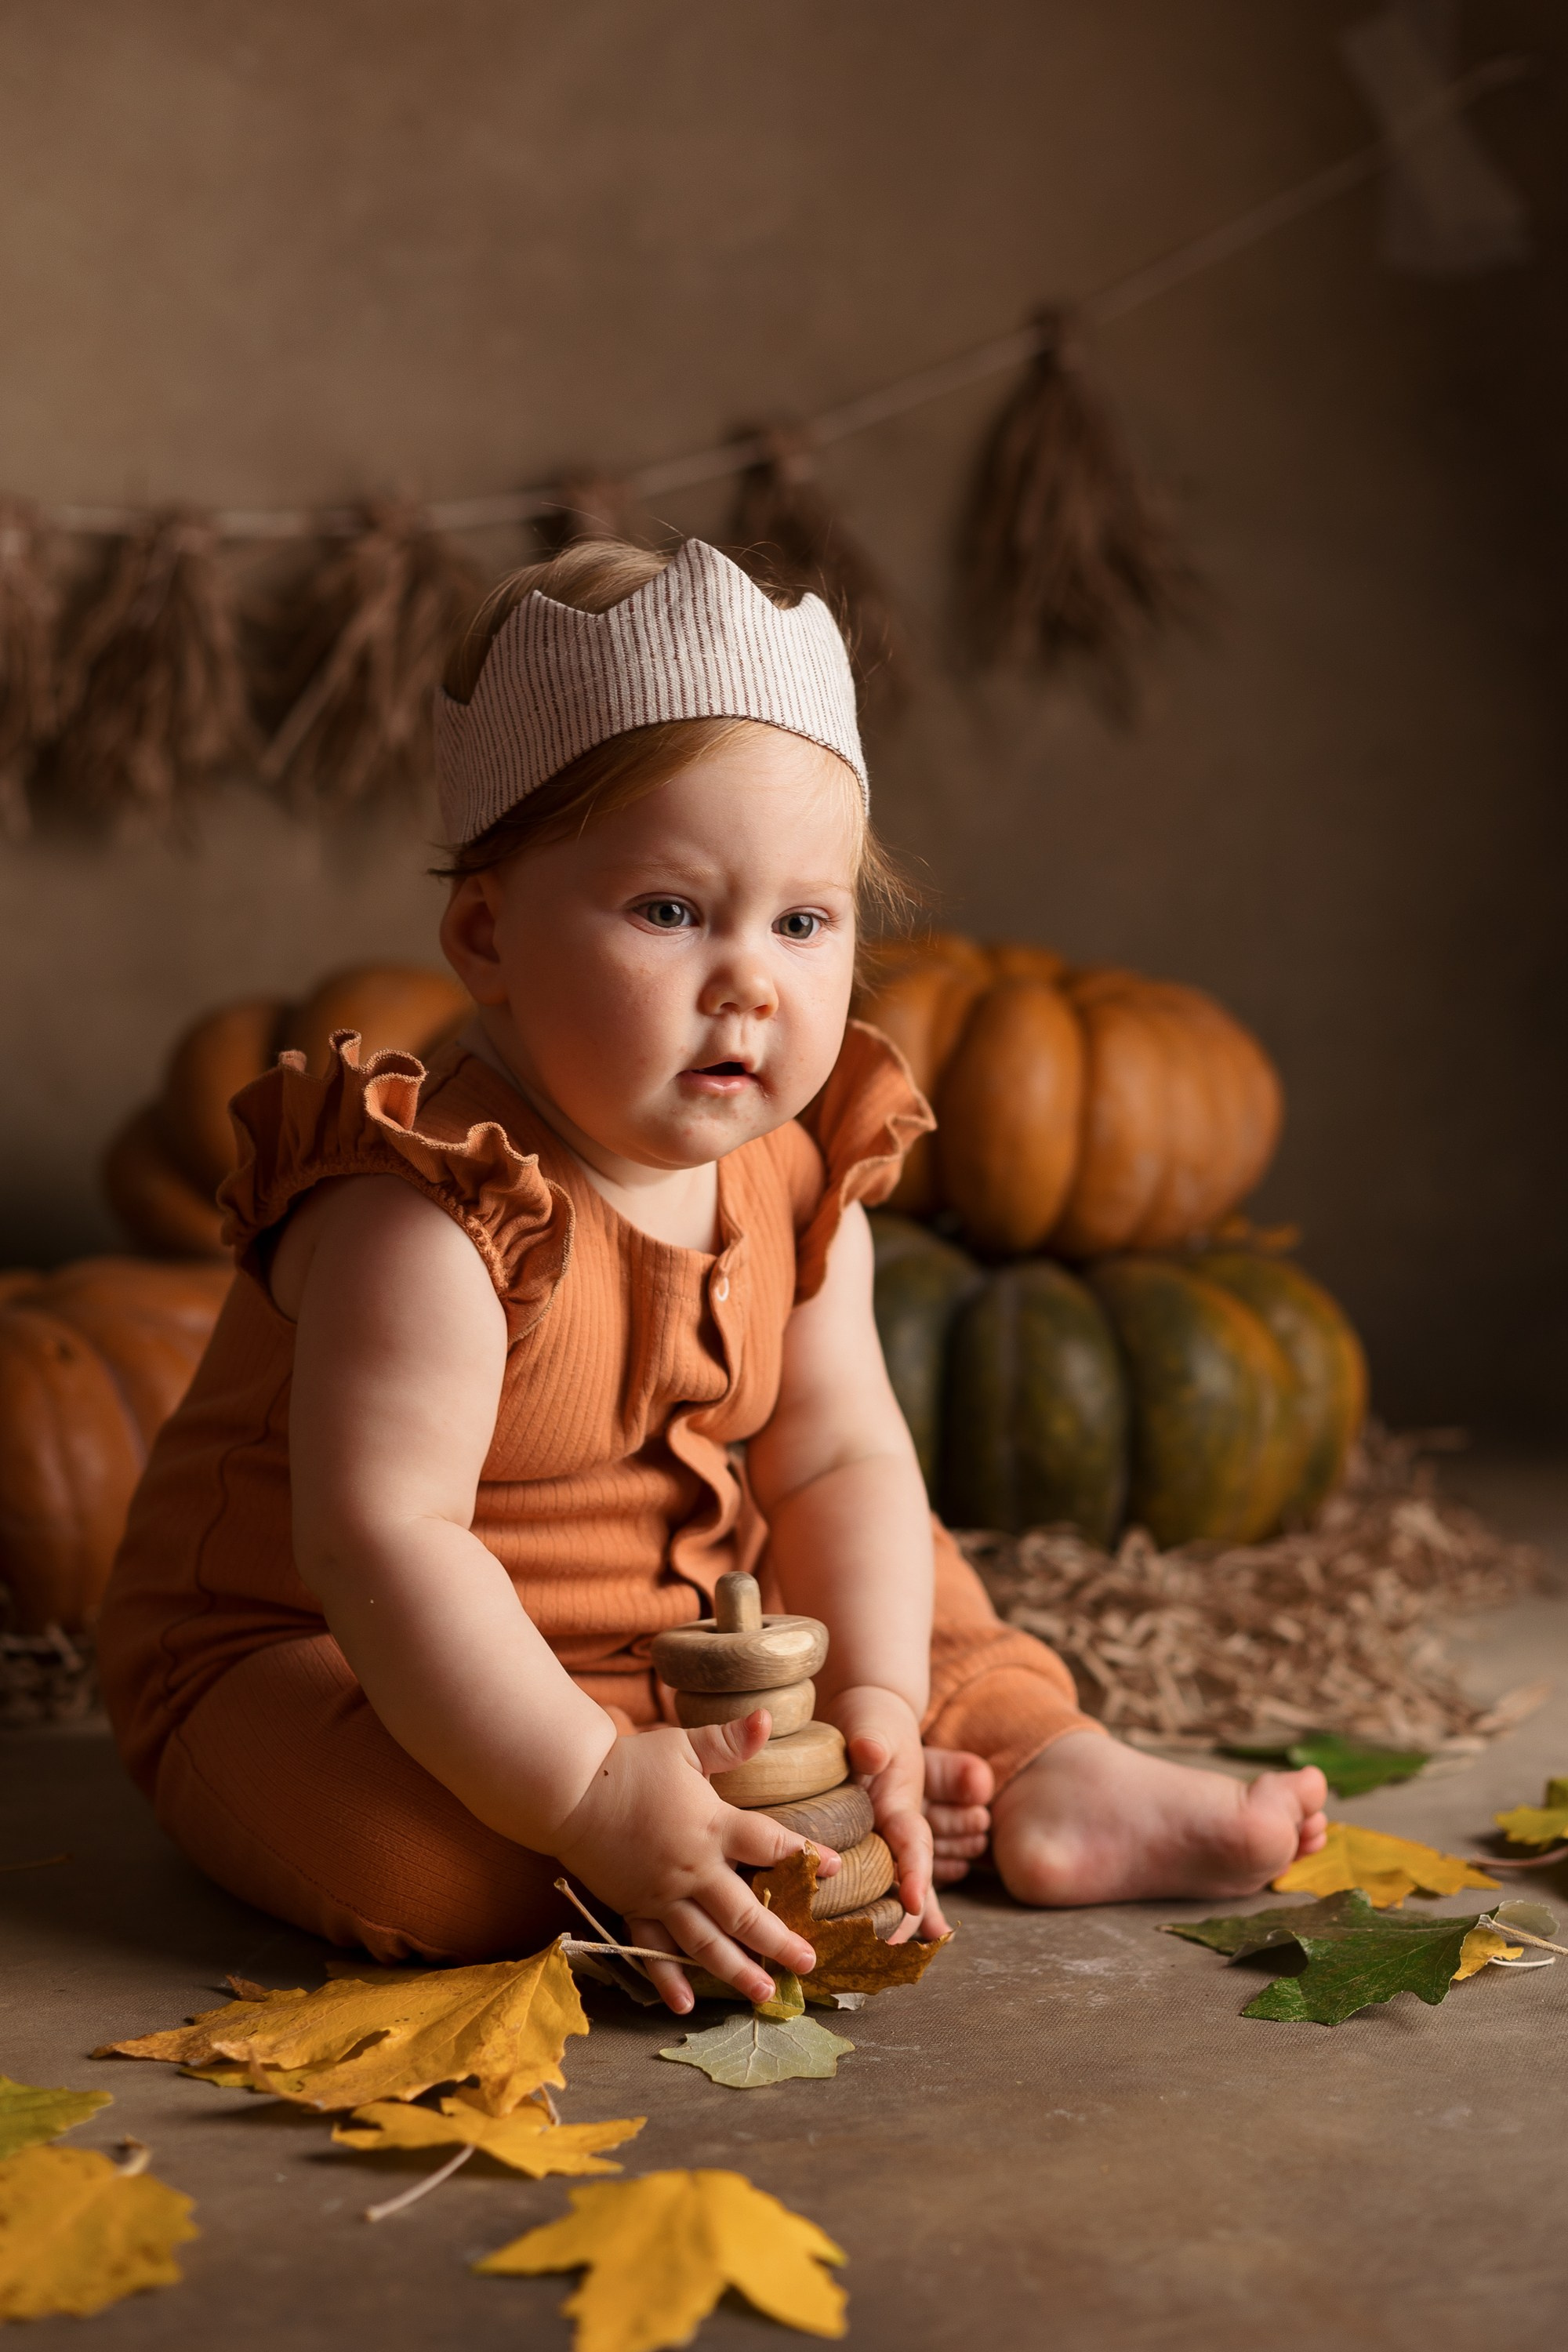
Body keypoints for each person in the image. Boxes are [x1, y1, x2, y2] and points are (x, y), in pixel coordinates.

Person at [97, 539, 1326, 2013]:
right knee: (439, 1870)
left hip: (687, 1639)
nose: (751, 979)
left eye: (803, 922)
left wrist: (869, 1703)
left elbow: (841, 1459)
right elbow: (382, 1545)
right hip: (325, 1644)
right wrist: (586, 1794)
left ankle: (1045, 1769)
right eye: (671, 911)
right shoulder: (427, 1211)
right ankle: (639, 1828)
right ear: (488, 933)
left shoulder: (802, 1178)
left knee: (899, 1565)